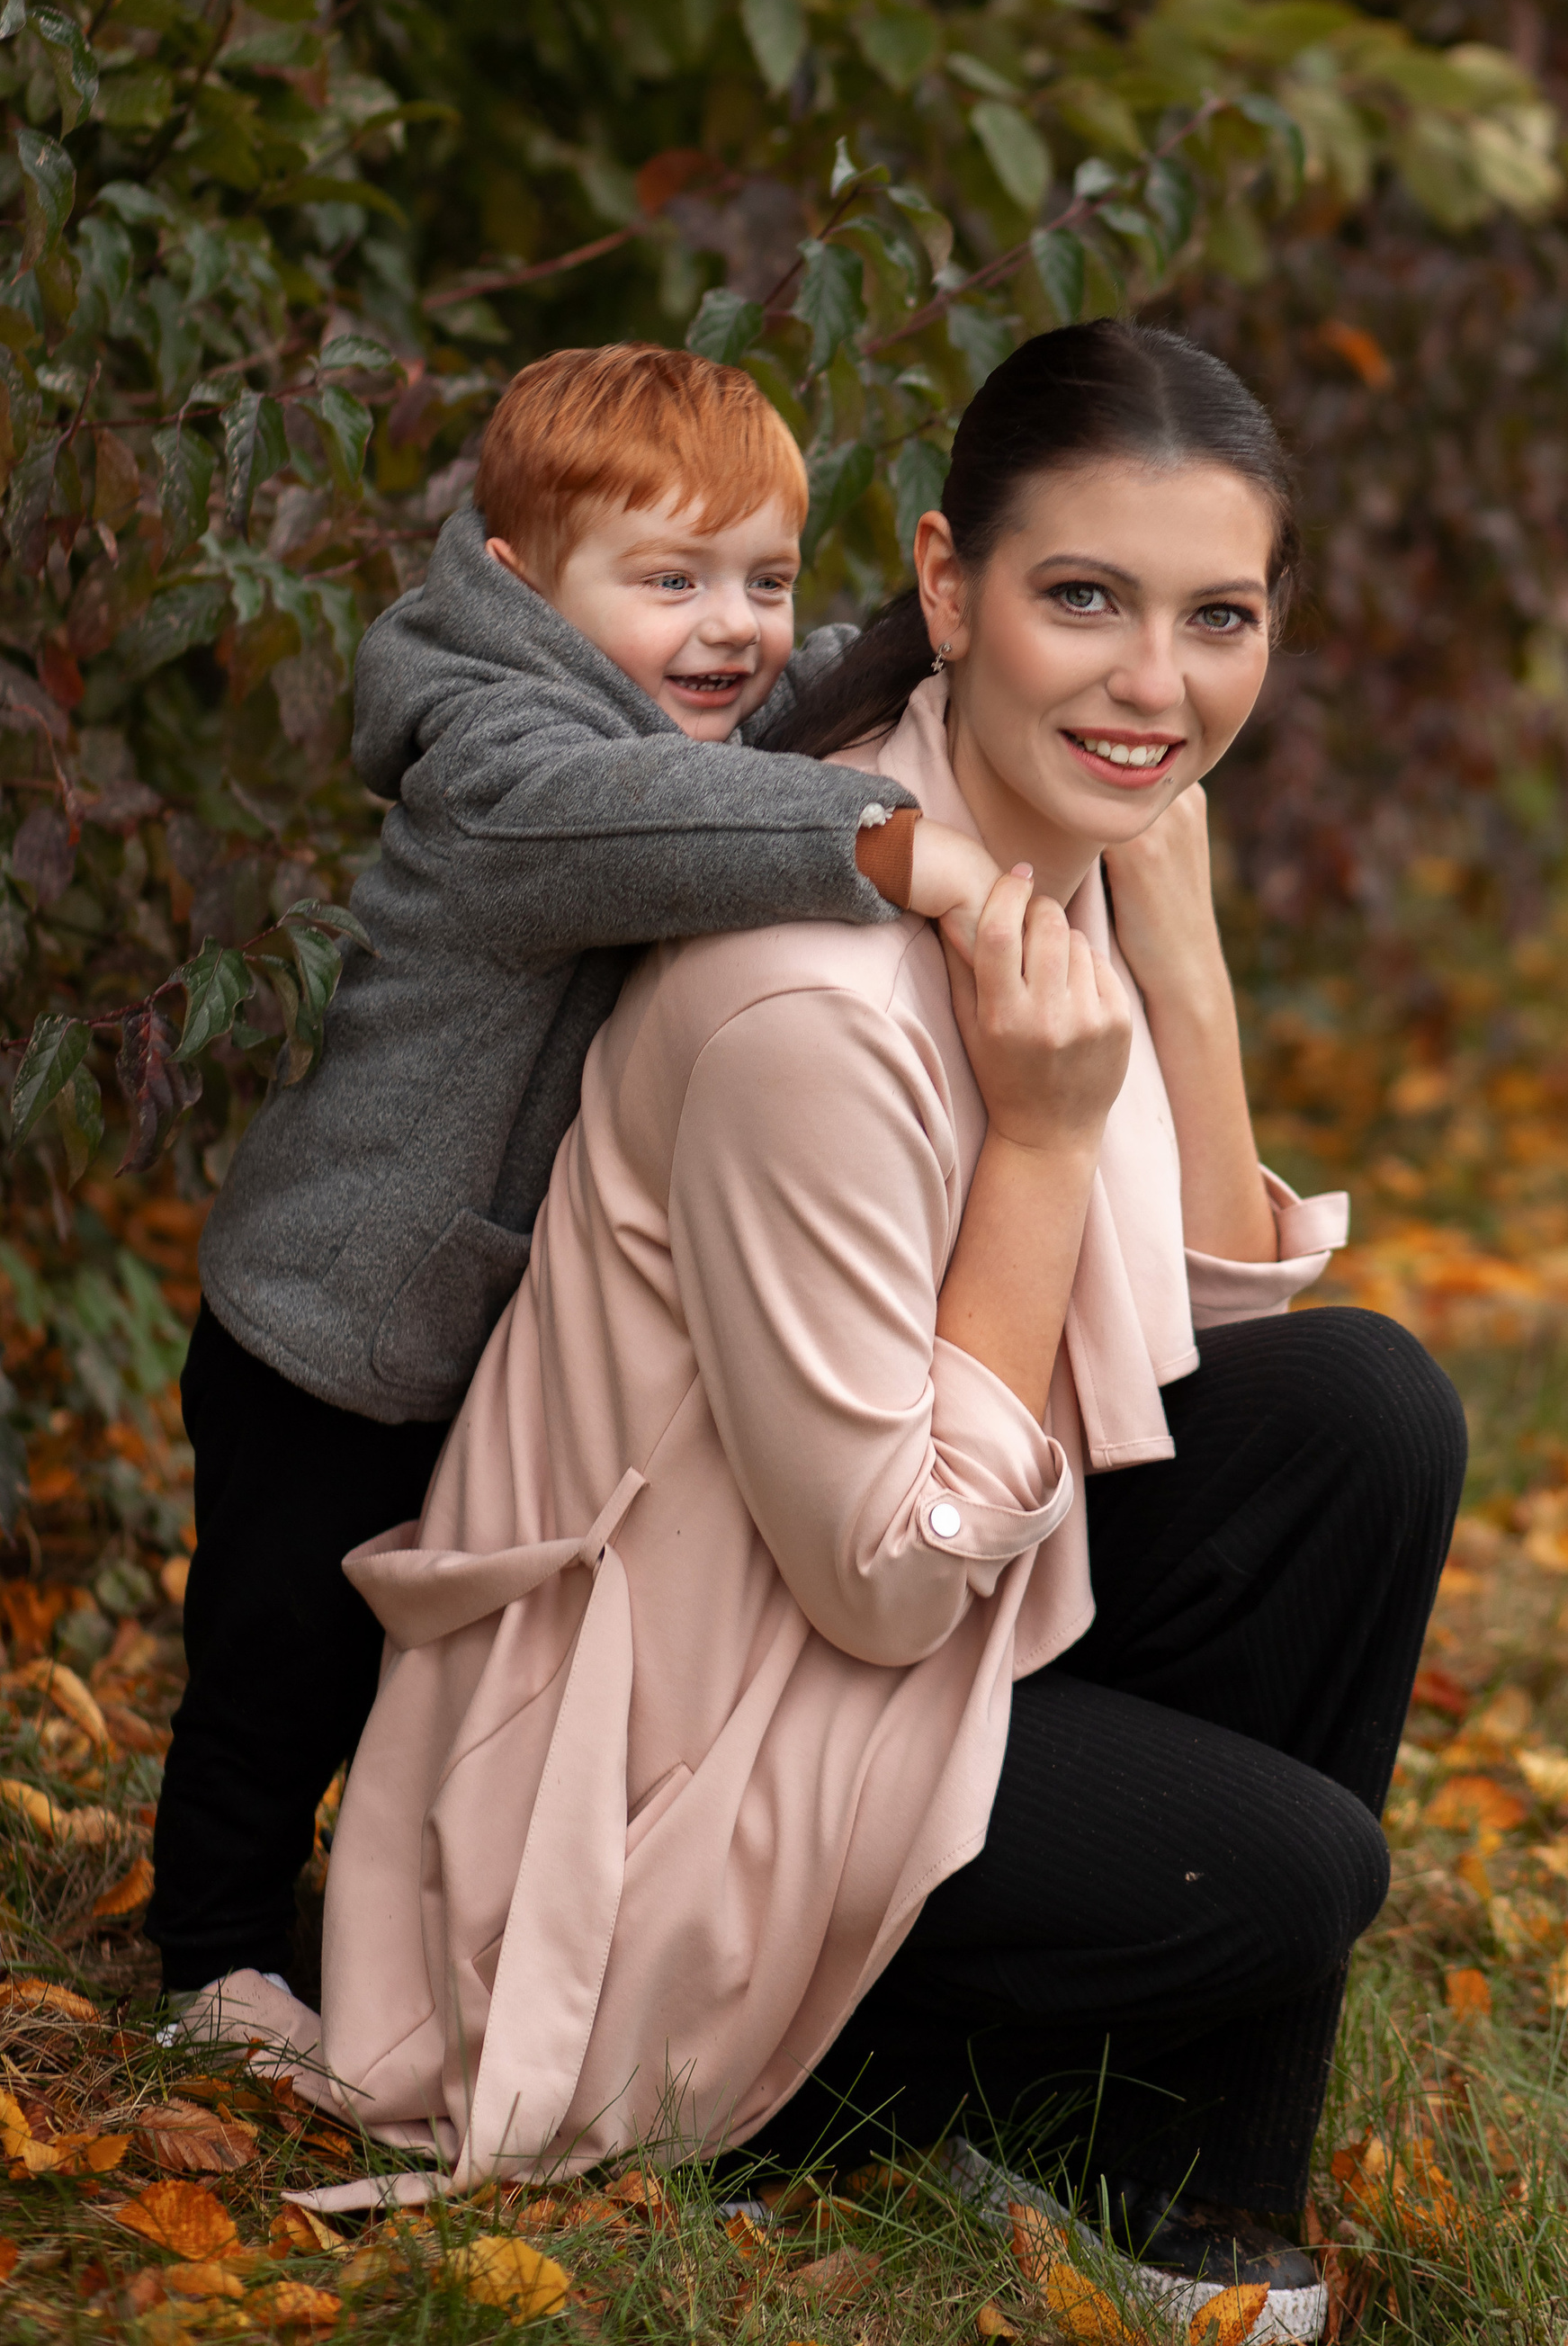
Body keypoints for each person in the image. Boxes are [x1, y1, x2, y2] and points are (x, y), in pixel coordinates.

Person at [271, 321, 1463, 2339]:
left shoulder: (1030, 852)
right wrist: (1041, 1138)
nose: (1153, 684)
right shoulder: (802, 999)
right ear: (942, 586)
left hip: (860, 1639)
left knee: (1360, 1405)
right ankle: (842, 2115)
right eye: (1081, 597)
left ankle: (1182, 2193)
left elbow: (1182, 1360)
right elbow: (890, 1586)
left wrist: (1180, 966)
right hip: (682, 1784)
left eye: (1217, 616)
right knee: (1279, 1870)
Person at [154, 344, 998, 2007]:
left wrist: (936, 623)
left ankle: (379, 1915)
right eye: (672, 579)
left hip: (474, 1338)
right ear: (524, 581)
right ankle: (213, 1944)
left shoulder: (667, 691)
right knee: (279, 1663)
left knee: (429, 1665)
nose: (733, 626)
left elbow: (797, 700)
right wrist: (893, 844)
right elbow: (642, 810)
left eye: (761, 576)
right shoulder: (497, 757)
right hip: (333, 1330)